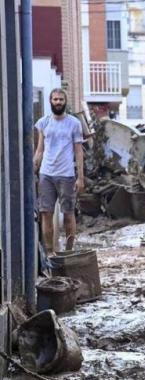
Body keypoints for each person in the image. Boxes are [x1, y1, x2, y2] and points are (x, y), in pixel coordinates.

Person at [33, 88, 85, 255]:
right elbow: (40, 149)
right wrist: (34, 167)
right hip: (46, 174)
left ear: (65, 101)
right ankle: (49, 253)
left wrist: (80, 178)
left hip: (67, 175)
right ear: (50, 101)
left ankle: (69, 253)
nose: (58, 102)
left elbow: (78, 151)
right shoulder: (43, 123)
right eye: (55, 99)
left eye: (61, 99)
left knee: (68, 215)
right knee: (46, 214)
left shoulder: (74, 123)